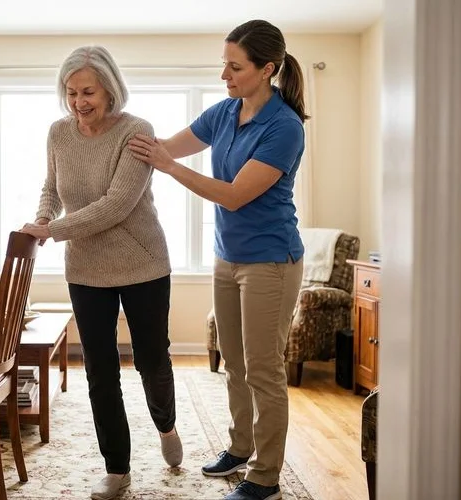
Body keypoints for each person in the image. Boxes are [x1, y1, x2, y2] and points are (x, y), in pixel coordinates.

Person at [127, 19, 306, 500]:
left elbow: (232, 196)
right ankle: (240, 448)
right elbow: (165, 147)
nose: (224, 74)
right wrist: (123, 141)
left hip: (270, 260)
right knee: (232, 361)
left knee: (263, 369)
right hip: (227, 257)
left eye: (235, 66)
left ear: (267, 69)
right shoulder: (224, 112)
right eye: (223, 64)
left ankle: (265, 477)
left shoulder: (284, 128)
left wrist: (168, 167)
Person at [20, 45, 182, 500]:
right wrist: (41, 219)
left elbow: (116, 204)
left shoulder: (137, 131)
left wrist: (51, 229)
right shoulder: (58, 133)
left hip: (143, 262)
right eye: (70, 92)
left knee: (152, 359)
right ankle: (117, 468)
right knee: (99, 369)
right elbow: (51, 188)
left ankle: (166, 425)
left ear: (109, 88)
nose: (78, 101)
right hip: (86, 269)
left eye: (87, 91)